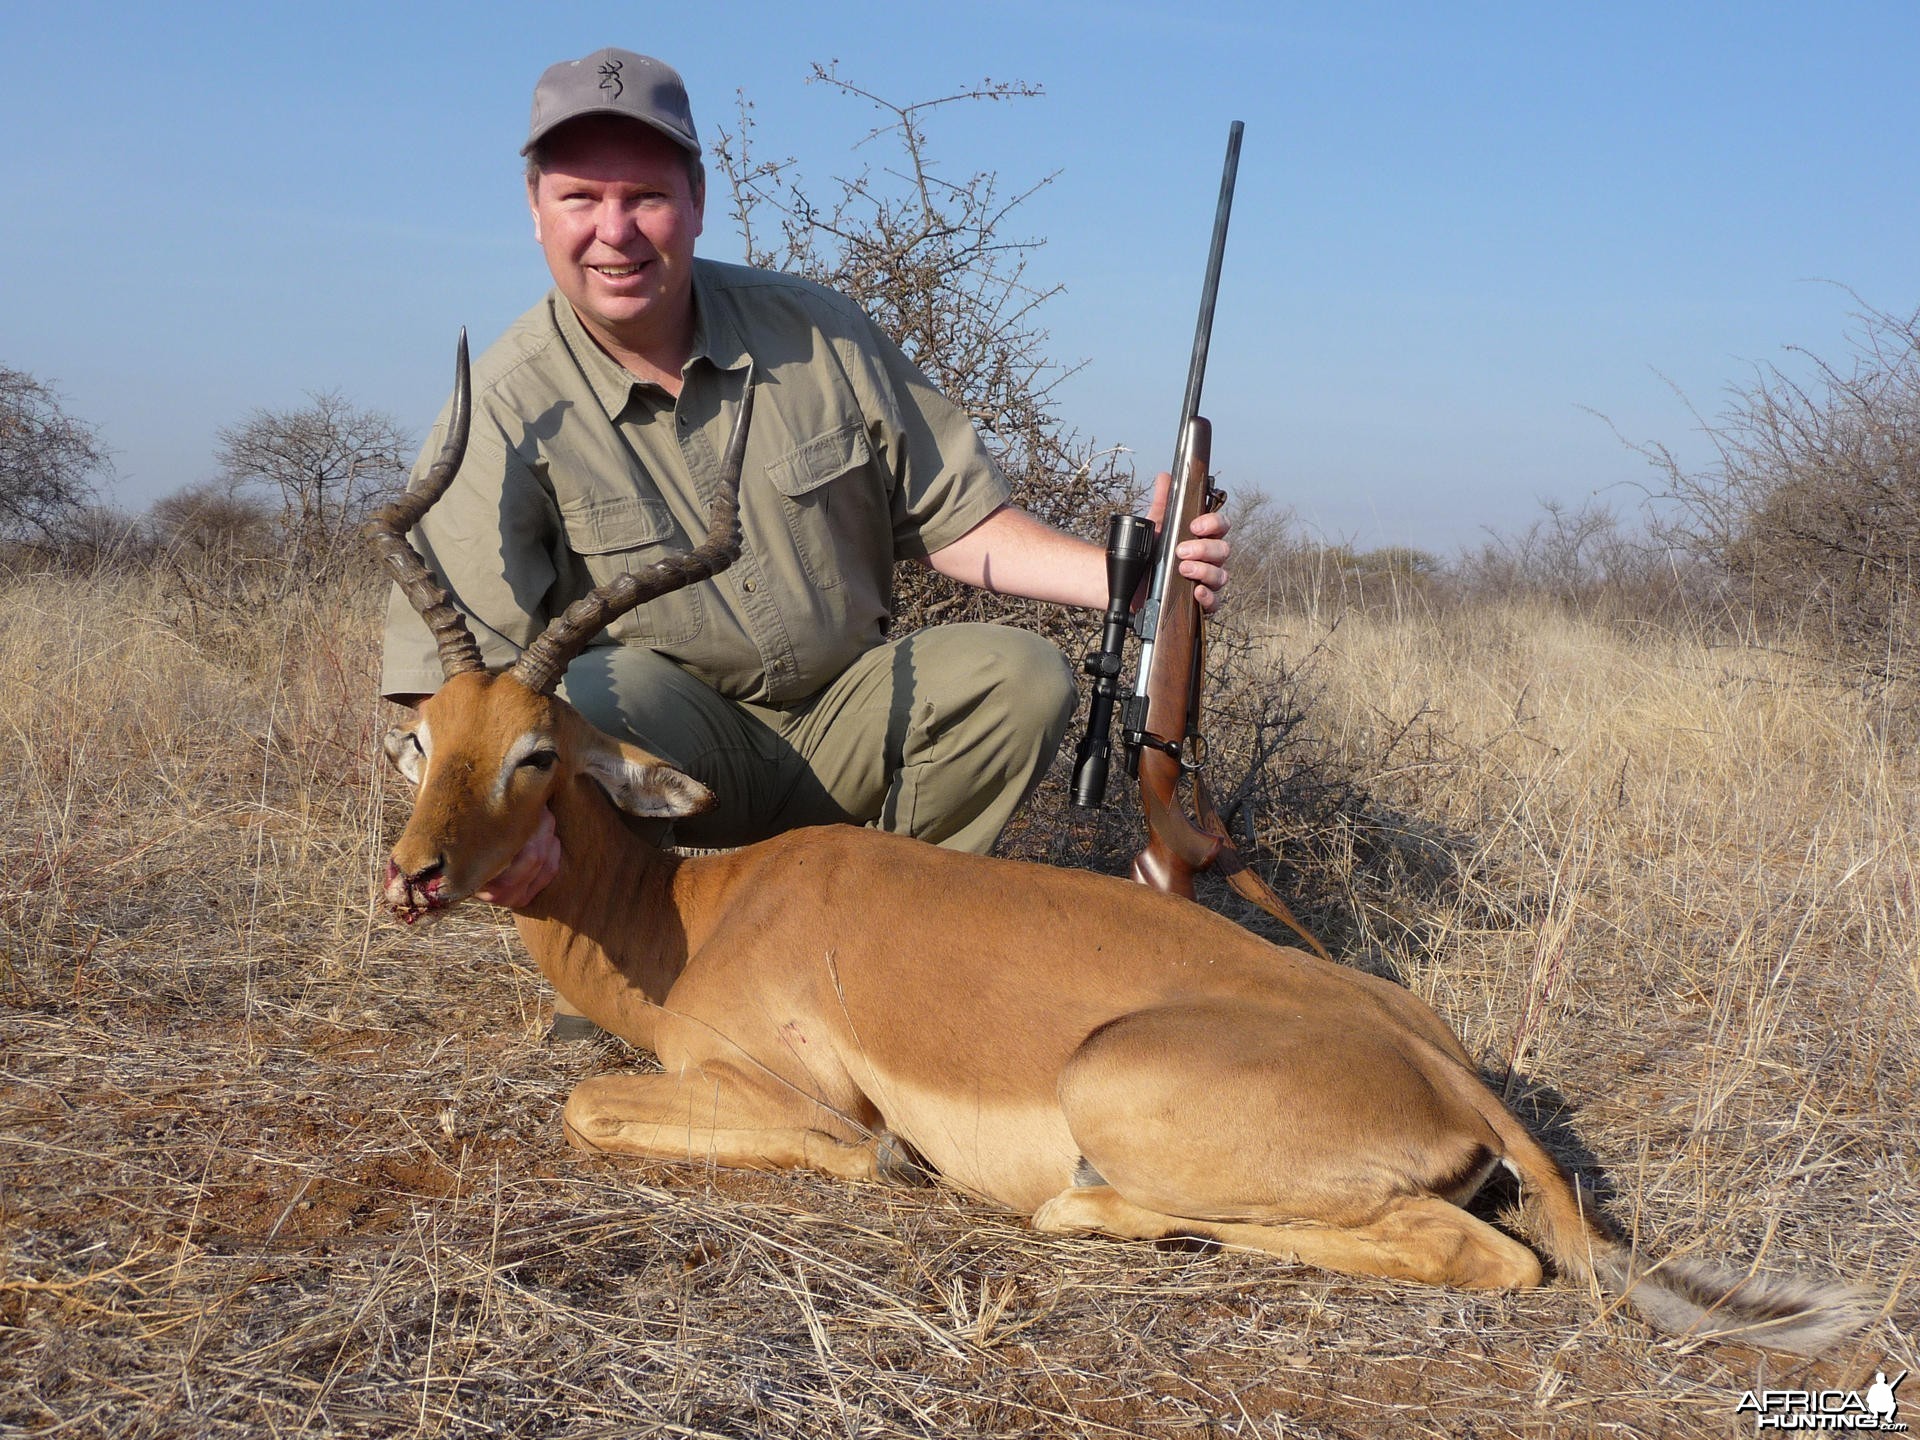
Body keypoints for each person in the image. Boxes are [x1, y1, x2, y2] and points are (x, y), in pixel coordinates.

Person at [380, 47, 1231, 909]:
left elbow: (960, 522)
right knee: (599, 689)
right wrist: (507, 836)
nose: (615, 230)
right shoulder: (502, 400)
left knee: (1022, 678)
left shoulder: (815, 330)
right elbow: (447, 688)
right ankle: (623, 937)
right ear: (535, 208)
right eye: (580, 198)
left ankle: (882, 934)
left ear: (698, 201)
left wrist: (1137, 582)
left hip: (845, 721)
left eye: (646, 196)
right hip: (665, 749)